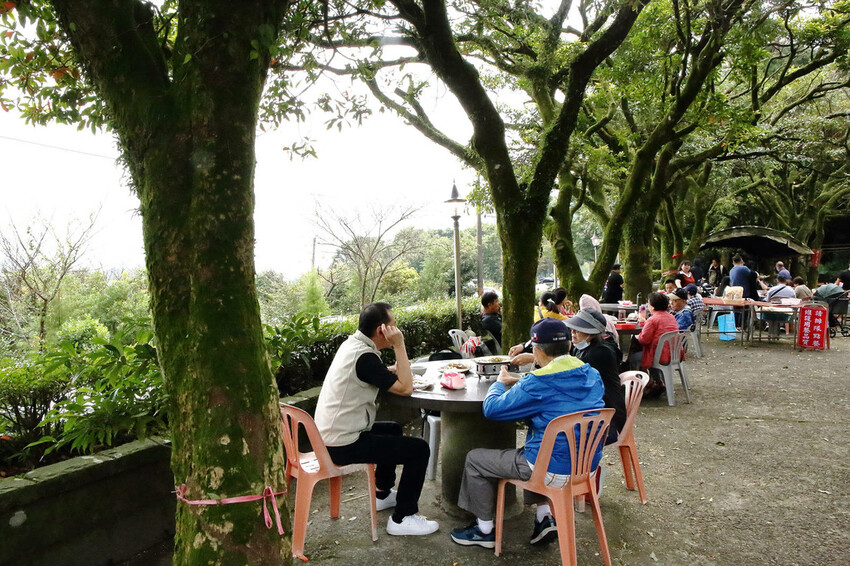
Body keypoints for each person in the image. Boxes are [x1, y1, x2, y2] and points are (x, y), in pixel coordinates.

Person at [450, 318, 604, 549]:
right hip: (586, 467)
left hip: (551, 471)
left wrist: (499, 384)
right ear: (569, 347)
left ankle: (484, 531)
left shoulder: (537, 383)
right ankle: (543, 517)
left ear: (537, 350)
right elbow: (559, 394)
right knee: (539, 450)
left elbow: (492, 409)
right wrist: (523, 382)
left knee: (475, 460)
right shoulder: (592, 374)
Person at [314, 302, 439, 536]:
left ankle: (381, 494)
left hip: (330, 437)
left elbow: (374, 374)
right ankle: (402, 518)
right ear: (382, 330)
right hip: (342, 444)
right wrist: (399, 345)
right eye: (394, 326)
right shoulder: (365, 358)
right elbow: (406, 389)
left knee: (391, 429)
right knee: (419, 449)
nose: (397, 330)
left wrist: (387, 371)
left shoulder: (353, 345)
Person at [564, 309, 627, 444]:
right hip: (597, 410)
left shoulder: (599, 353)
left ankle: (580, 463)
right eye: (572, 329)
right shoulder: (582, 347)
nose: (572, 333)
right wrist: (525, 347)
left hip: (608, 420)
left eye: (577, 329)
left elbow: (566, 374)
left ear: (591, 333)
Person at [632, 292, 679, 395]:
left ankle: (646, 383)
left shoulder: (653, 320)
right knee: (652, 351)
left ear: (652, 307)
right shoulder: (671, 317)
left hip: (659, 356)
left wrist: (637, 336)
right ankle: (658, 382)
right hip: (673, 353)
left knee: (633, 357)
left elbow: (644, 340)